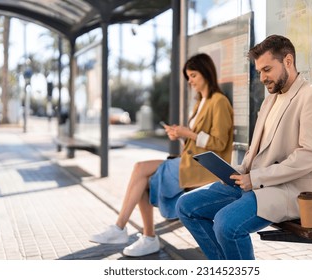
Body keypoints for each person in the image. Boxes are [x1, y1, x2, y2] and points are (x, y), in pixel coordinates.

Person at [176, 35, 312, 260]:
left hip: (291, 190)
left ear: (288, 61)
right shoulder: (270, 99)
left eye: (267, 69)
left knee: (225, 224)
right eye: (259, 71)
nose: (262, 78)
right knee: (186, 206)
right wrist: (238, 172)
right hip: (256, 183)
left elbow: (311, 155)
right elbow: (257, 151)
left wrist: (257, 177)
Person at [89, 53, 234, 257]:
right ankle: (145, 237)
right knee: (143, 180)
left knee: (140, 169)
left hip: (204, 168)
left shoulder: (218, 101)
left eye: (193, 75)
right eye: (188, 77)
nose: (190, 81)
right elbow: (198, 141)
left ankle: (124, 229)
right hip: (190, 162)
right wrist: (180, 135)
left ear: (206, 73)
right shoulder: (200, 102)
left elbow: (219, 143)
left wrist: (187, 133)